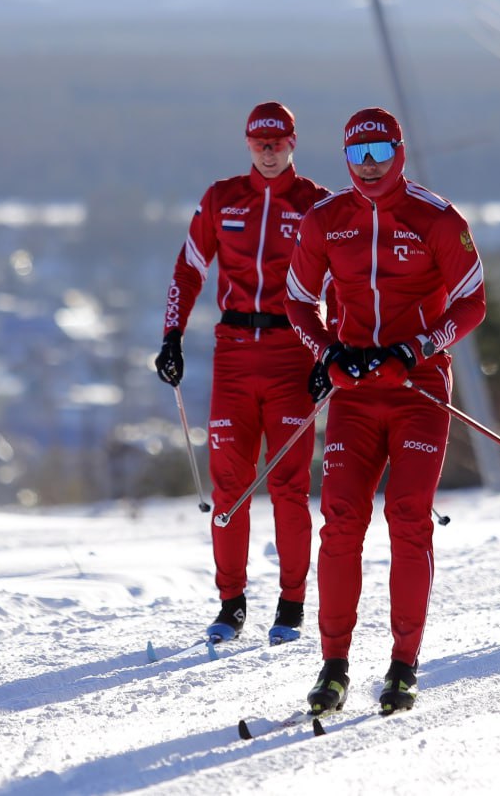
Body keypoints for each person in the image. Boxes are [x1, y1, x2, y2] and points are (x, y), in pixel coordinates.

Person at [284, 107, 486, 715]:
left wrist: (418, 349)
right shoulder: (326, 221)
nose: (369, 168)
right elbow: (298, 301)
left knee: (408, 517)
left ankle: (403, 665)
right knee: (342, 518)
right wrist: (329, 355)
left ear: (399, 152)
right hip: (354, 392)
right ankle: (334, 665)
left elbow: (472, 302)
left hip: (418, 386)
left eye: (379, 154)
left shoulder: (437, 218)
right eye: (357, 156)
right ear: (344, 159)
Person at [154, 101, 330, 645]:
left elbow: (342, 282)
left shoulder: (317, 203)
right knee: (229, 486)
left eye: (278, 141)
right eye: (259, 142)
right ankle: (230, 604)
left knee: (288, 486)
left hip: (292, 351)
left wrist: (330, 352)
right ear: (247, 144)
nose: (269, 150)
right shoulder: (222, 198)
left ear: (293, 141)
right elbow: (189, 267)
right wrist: (172, 336)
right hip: (232, 352)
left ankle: (292, 603)